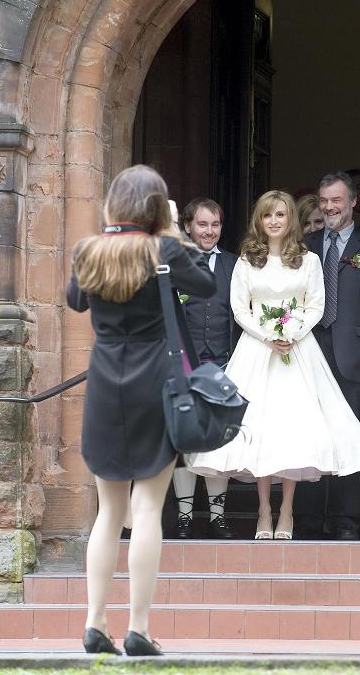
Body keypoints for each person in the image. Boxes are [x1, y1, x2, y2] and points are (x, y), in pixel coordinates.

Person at [67, 165, 213, 657]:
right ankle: (139, 628)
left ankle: (93, 623)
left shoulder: (87, 249)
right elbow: (207, 287)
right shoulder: (164, 248)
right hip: (156, 382)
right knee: (148, 508)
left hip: (105, 381)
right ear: (155, 207)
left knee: (109, 511)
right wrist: (170, 231)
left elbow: (75, 301)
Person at [187, 190, 360, 540]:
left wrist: (291, 332)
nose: (274, 221)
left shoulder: (309, 260)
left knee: (293, 432)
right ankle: (264, 511)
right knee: (259, 431)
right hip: (257, 350)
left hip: (298, 350)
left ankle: (286, 510)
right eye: (267, 215)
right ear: (259, 220)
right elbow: (240, 308)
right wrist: (267, 335)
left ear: (291, 221)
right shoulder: (246, 260)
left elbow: (315, 305)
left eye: (281, 215)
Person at [293, 172, 360, 540]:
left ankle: (344, 521)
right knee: (309, 436)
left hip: (354, 358)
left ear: (353, 202)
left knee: (348, 437)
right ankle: (305, 519)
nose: (329, 207)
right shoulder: (303, 246)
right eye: (324, 200)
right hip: (307, 356)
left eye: (336, 200)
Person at [169, 197, 238, 540]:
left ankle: (217, 515)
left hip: (224, 361)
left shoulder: (235, 265)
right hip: (185, 362)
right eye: (202, 224)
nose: (209, 231)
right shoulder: (173, 264)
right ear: (187, 226)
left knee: (219, 438)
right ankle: (183, 516)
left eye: (215, 225)